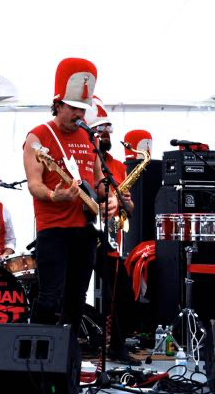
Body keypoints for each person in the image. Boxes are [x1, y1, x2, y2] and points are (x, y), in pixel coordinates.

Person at [22, 58, 117, 332]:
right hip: (53, 230)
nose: (79, 114)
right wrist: (54, 196)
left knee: (76, 299)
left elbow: (99, 181)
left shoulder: (89, 137)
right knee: (50, 297)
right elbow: (34, 184)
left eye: (82, 109)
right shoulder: (38, 136)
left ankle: (69, 349)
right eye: (73, 108)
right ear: (58, 104)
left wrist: (110, 197)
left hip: (84, 229)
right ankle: (34, 348)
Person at [87, 96, 139, 365]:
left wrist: (125, 203)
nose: (106, 134)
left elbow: (129, 206)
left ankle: (117, 346)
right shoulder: (83, 160)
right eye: (101, 129)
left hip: (110, 238)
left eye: (109, 129)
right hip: (84, 233)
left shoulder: (117, 165)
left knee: (123, 294)